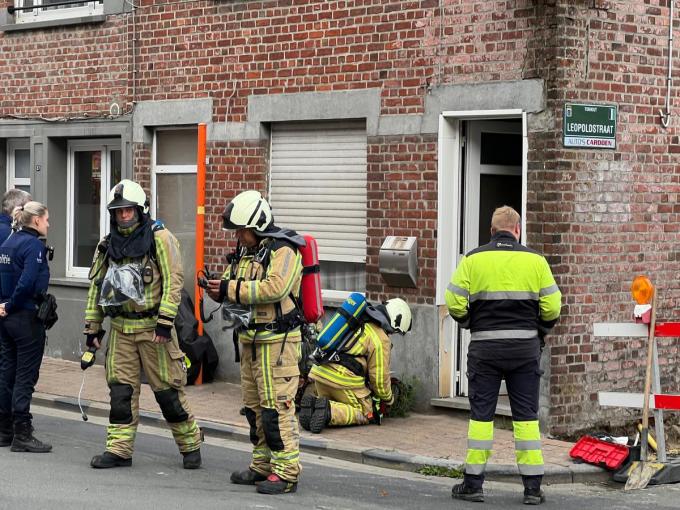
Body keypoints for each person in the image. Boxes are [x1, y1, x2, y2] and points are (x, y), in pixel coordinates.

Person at [446, 206, 561, 506]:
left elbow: (454, 301)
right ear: (518, 230)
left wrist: (470, 322)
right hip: (524, 350)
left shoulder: (473, 259)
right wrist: (539, 330)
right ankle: (532, 489)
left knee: (481, 417)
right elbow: (553, 307)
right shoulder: (536, 261)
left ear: (492, 231)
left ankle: (473, 485)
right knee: (526, 419)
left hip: (485, 350)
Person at [83, 179, 202, 469]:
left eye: (129, 210)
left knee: (168, 393)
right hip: (121, 329)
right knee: (121, 393)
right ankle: (119, 450)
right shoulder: (107, 244)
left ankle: (190, 445)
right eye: (118, 211)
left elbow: (174, 282)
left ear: (141, 210)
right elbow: (97, 287)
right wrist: (93, 327)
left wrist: (165, 322)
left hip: (154, 330)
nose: (124, 216)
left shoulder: (160, 239)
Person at [206, 190, 304, 495]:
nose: (238, 235)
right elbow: (232, 284)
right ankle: (262, 465)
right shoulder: (246, 252)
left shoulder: (284, 250)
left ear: (258, 225)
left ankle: (286, 473)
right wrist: (216, 289)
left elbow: (275, 288)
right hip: (250, 340)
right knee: (254, 409)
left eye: (242, 230)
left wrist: (229, 288)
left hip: (278, 344)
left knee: (277, 408)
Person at [301, 298, 412, 433]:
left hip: (320, 373)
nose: (392, 334)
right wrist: (389, 398)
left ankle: (314, 406)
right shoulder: (381, 338)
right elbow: (379, 379)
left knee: (333, 402)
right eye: (395, 331)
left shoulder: (358, 321)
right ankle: (330, 411)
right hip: (342, 380)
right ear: (395, 322)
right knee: (366, 412)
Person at [0, 201, 52, 452]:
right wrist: (11, 304)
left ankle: (4, 430)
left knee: (6, 372)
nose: (48, 224)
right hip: (25, 316)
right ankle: (22, 433)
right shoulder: (33, 245)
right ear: (36, 220)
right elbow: (28, 282)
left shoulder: (8, 243)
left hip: (6, 318)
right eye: (47, 219)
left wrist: (3, 306)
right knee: (25, 375)